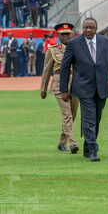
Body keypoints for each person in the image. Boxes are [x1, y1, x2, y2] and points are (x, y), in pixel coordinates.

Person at [60, 18, 108, 162]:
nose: (88, 30)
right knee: (89, 120)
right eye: (86, 27)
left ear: (96, 29)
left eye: (91, 27)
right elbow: (64, 68)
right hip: (83, 88)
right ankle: (94, 150)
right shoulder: (74, 44)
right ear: (82, 29)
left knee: (96, 119)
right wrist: (64, 89)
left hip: (102, 88)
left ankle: (88, 148)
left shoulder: (106, 43)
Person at [41, 23, 79, 152]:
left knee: (72, 115)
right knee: (67, 114)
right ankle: (73, 143)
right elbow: (46, 71)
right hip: (58, 84)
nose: (66, 37)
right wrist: (43, 89)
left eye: (67, 34)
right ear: (58, 35)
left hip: (74, 84)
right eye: (63, 34)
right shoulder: (53, 50)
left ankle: (61, 142)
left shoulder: (77, 48)